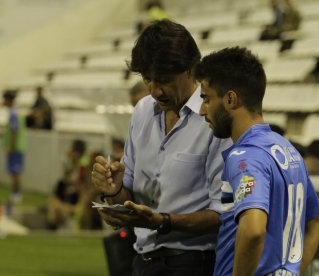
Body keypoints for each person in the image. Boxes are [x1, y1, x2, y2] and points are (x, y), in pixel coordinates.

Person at [91, 19, 231, 276]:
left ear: (192, 69)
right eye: (147, 80)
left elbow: (222, 215)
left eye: (164, 80)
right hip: (142, 260)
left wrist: (163, 221)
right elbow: (129, 200)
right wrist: (115, 191)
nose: (155, 90)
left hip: (194, 264)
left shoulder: (214, 119)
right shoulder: (142, 111)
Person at [195, 47, 319, 275]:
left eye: (206, 98)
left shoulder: (245, 157)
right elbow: (316, 222)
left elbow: (253, 230)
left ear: (230, 99)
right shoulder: (287, 149)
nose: (201, 110)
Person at [47, 139, 90, 230]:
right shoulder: (63, 182)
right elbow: (53, 199)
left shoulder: (82, 169)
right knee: (54, 209)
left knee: (59, 210)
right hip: (66, 205)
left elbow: (80, 205)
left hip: (73, 207)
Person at [2, 90, 26, 203]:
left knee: (15, 172)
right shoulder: (15, 112)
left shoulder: (13, 114)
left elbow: (14, 131)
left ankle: (17, 194)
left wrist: (11, 147)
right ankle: (15, 193)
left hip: (16, 148)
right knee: (14, 172)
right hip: (17, 148)